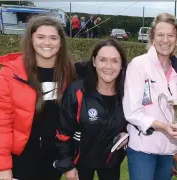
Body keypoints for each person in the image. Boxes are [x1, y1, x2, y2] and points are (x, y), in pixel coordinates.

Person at [0, 16, 77, 180]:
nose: (47, 43)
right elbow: (0, 124)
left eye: (53, 38)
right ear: (31, 39)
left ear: (61, 42)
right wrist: (2, 167)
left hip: (54, 155)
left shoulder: (70, 73)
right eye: (41, 37)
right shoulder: (10, 73)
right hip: (22, 155)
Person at [122, 13, 177, 180]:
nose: (165, 40)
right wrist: (162, 126)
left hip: (169, 149)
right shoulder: (139, 65)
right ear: (152, 37)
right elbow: (132, 112)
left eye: (170, 35)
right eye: (160, 34)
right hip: (142, 148)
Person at [54, 39, 128, 180]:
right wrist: (68, 165)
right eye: (102, 60)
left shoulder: (128, 94)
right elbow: (63, 131)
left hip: (111, 162)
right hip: (81, 162)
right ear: (94, 62)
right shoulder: (77, 91)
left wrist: (126, 136)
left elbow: (134, 122)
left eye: (114, 61)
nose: (108, 66)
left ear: (121, 65)